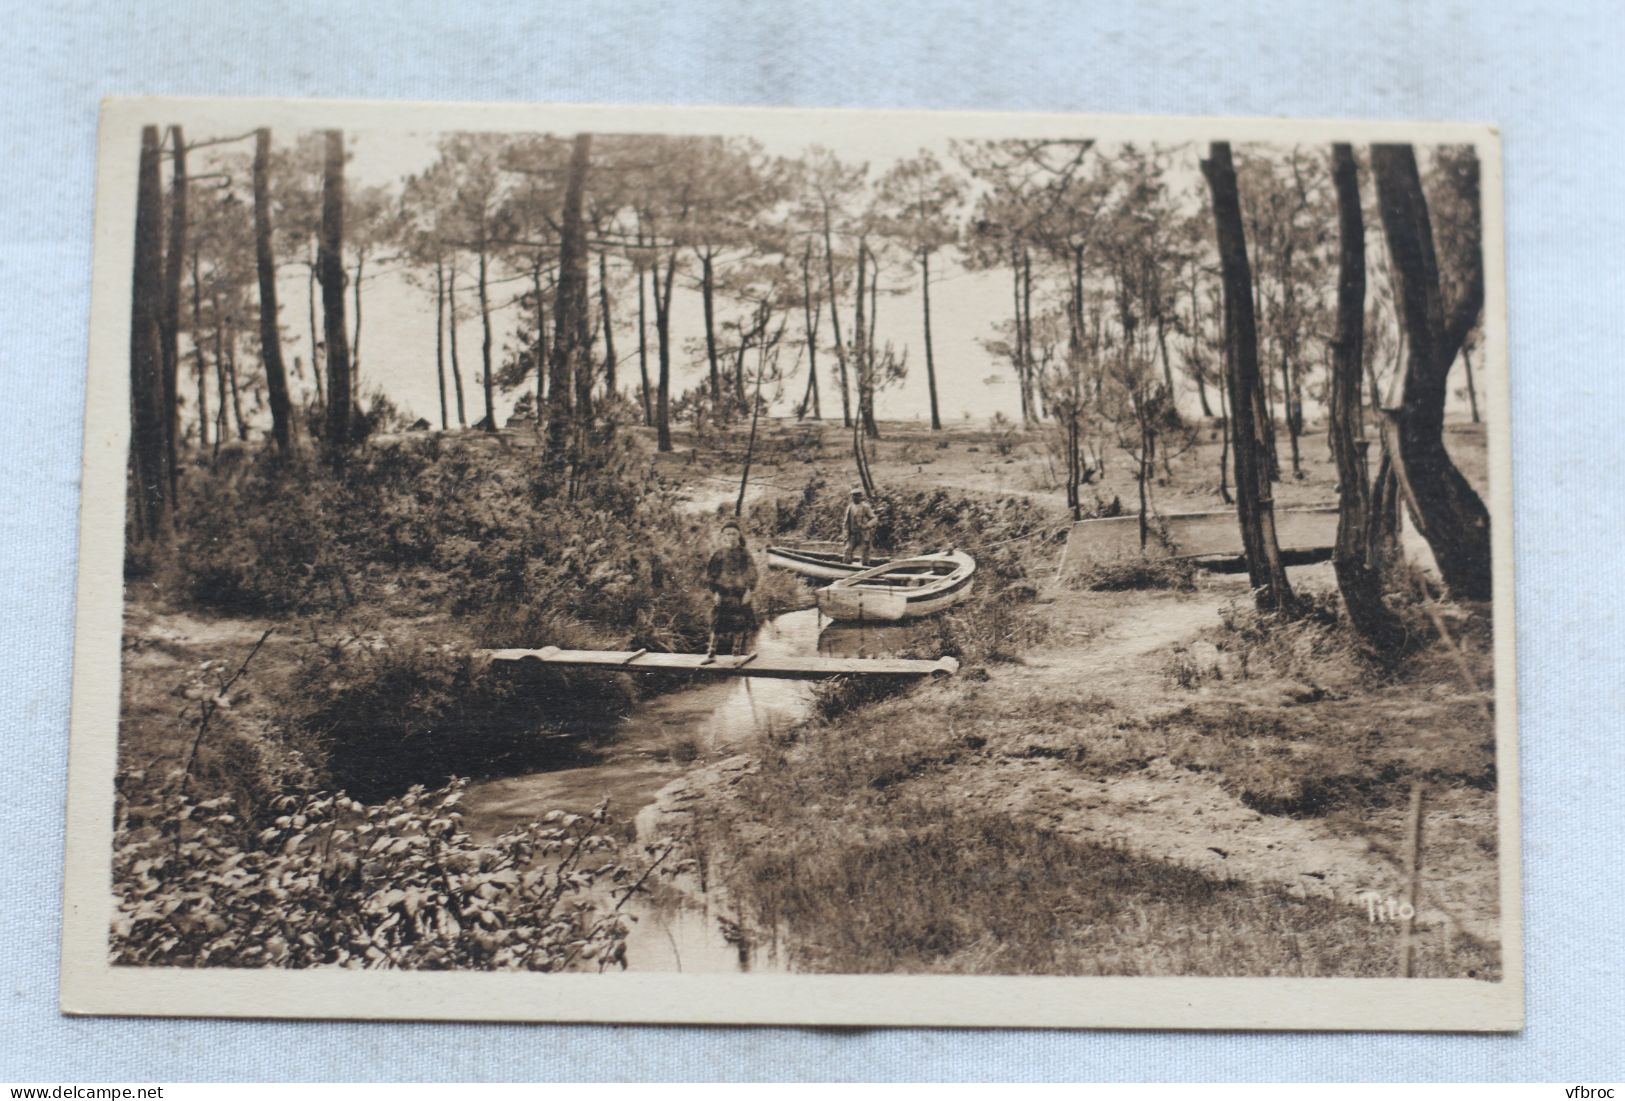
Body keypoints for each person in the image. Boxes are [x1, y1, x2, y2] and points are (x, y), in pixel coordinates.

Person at [704, 518, 758, 659]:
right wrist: (715, 591)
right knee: (717, 624)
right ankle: (711, 653)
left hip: (739, 595)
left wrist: (749, 591)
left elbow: (752, 573)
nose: (731, 537)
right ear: (723, 536)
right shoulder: (719, 554)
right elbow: (711, 574)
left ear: (739, 535)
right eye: (728, 534)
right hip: (723, 594)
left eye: (734, 534)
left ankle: (736, 653)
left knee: (739, 624)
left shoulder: (745, 554)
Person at [842, 486, 878, 563]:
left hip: (863, 534)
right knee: (848, 550)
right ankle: (846, 567)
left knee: (865, 551)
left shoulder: (865, 507)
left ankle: (865, 568)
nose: (854, 497)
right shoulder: (850, 507)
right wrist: (845, 533)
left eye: (857, 496)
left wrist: (867, 526)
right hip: (852, 534)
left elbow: (874, 519)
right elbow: (846, 522)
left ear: (861, 497)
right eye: (853, 496)